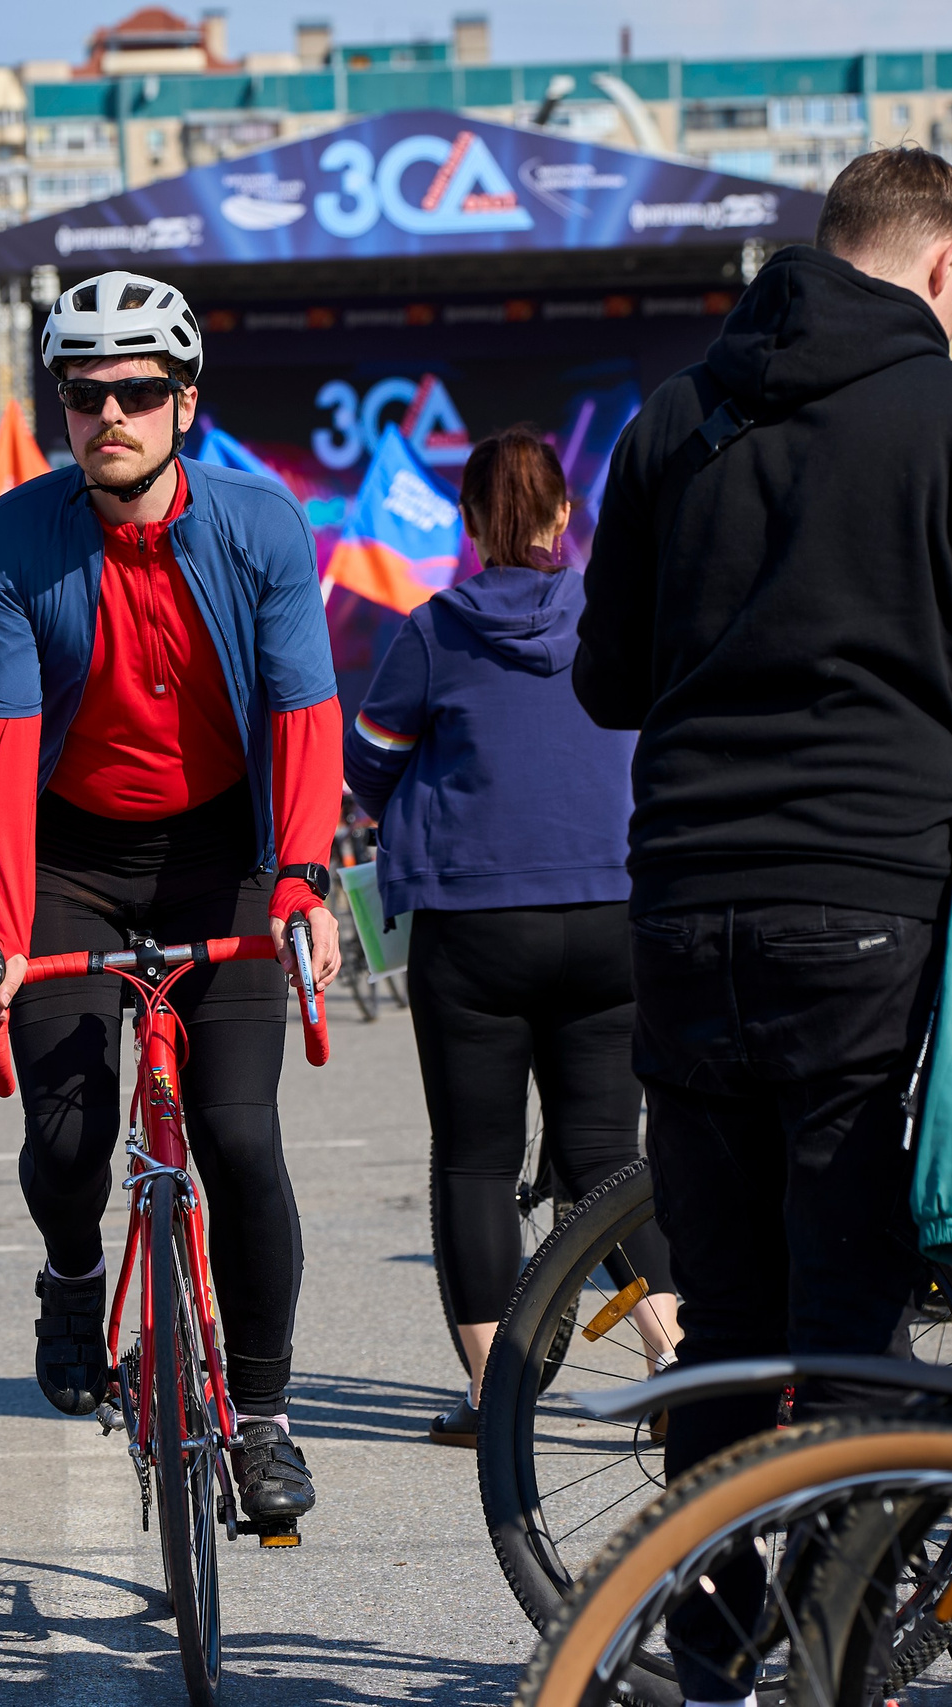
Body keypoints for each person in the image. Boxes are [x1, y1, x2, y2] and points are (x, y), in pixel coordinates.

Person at [572, 146, 952, 1636]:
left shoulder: (671, 417)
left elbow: (609, 677)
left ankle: (705, 1632)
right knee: (851, 1298)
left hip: (680, 892)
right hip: (867, 893)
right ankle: (835, 1631)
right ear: (948, 265)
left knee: (726, 1301)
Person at [0, 268, 344, 1528]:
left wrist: (303, 880)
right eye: (82, 394)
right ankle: (74, 1281)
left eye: (134, 391)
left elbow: (303, 713)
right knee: (68, 1139)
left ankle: (268, 1421)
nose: (106, 413)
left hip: (224, 852)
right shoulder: (13, 535)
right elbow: (2, 743)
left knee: (238, 1138)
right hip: (71, 858)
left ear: (183, 402)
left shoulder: (261, 525)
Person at [343, 425, 669, 1449]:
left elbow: (369, 766)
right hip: (613, 914)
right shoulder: (622, 618)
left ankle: (500, 1398)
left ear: (472, 526)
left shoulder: (434, 632)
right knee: (611, 1154)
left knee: (477, 1161)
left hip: (474, 928)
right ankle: (676, 1362)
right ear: (566, 514)